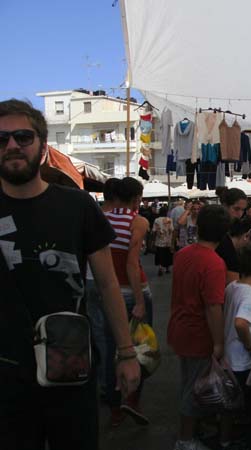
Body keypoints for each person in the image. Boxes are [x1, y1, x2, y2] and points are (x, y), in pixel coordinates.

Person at [0, 99, 140, 450]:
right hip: (5, 374)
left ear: (43, 147)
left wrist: (126, 353)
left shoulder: (77, 205)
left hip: (69, 364)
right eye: (2, 139)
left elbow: (108, 284)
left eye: (22, 136)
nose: (12, 145)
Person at [168, 205, 231, 450]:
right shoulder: (214, 263)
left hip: (180, 328)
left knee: (189, 383)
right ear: (225, 232)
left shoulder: (183, 254)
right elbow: (213, 307)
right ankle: (185, 440)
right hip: (197, 334)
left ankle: (193, 430)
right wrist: (218, 343)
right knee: (194, 390)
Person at [103, 177, 153, 426]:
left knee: (112, 347)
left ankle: (114, 407)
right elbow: (132, 264)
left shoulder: (103, 218)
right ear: (136, 198)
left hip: (109, 292)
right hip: (133, 291)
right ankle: (131, 399)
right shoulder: (138, 221)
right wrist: (140, 301)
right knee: (141, 348)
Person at [221, 242, 251, 448]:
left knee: (228, 401)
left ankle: (224, 438)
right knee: (237, 401)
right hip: (240, 359)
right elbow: (241, 323)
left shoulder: (233, 286)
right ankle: (233, 439)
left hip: (227, 353)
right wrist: (250, 345)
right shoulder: (250, 295)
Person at [86, 177, 121, 394]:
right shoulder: (123, 219)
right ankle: (109, 381)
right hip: (108, 280)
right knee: (112, 335)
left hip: (88, 279)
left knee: (97, 332)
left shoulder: (91, 213)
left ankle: (101, 378)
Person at [153, 205, 174, 275]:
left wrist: (153, 239)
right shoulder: (169, 220)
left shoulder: (156, 220)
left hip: (159, 241)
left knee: (160, 255)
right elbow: (172, 230)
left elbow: (154, 230)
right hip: (168, 241)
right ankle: (167, 268)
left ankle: (160, 267)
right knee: (167, 255)